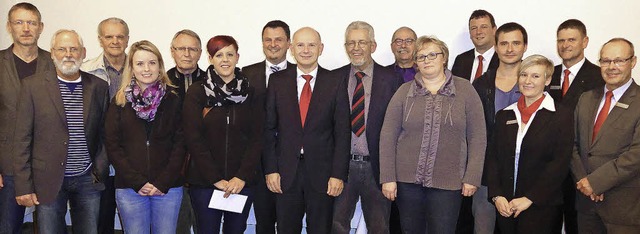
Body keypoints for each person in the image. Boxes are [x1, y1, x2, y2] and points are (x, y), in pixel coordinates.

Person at [380, 35, 486, 234]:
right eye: (421, 57)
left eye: (432, 55)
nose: (426, 60)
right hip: (407, 182)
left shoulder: (465, 90)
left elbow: (478, 136)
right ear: (416, 63)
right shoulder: (404, 92)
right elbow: (387, 136)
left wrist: (472, 176)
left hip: (449, 183)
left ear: (444, 57)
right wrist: (388, 177)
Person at [14, 29, 109, 234]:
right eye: (62, 49)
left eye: (74, 49)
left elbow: (104, 133)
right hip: (47, 179)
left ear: (83, 53)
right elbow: (22, 138)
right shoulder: (32, 87)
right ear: (52, 53)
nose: (68, 54)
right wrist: (24, 185)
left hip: (87, 179)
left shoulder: (99, 87)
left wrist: (99, 167)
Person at [263, 27, 350, 234]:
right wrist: (271, 169)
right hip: (285, 173)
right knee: (285, 229)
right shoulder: (277, 81)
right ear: (292, 49)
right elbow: (268, 130)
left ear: (321, 48)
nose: (306, 50)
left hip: (323, 175)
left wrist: (338, 174)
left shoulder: (335, 82)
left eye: (312, 45)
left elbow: (342, 132)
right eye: (300, 45)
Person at [183, 35, 263, 234]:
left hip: (241, 184)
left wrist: (241, 177)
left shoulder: (251, 93)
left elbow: (257, 138)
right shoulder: (197, 92)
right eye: (219, 55)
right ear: (210, 59)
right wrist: (215, 178)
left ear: (237, 57)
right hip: (205, 183)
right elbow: (193, 138)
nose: (225, 59)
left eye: (230, 54)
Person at [104, 40, 185, 234]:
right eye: (140, 64)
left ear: (160, 66)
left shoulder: (173, 99)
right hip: (130, 188)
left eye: (152, 62)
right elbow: (113, 145)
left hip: (168, 188)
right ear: (131, 68)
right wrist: (137, 182)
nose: (146, 69)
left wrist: (162, 182)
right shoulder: (119, 101)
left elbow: (181, 144)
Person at [487, 54, 573, 234]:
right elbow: (493, 158)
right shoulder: (504, 115)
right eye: (524, 75)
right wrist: (497, 195)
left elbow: (559, 164)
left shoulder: (561, 115)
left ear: (547, 79)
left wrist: (530, 198)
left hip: (542, 206)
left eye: (535, 76)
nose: (528, 81)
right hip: (506, 205)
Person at [331, 21, 402, 234]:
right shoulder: (334, 78)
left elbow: (399, 127)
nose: (356, 47)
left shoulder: (391, 79)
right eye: (351, 43)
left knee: (380, 227)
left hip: (377, 168)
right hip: (343, 167)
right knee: (337, 225)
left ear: (373, 45)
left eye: (362, 42)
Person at [571, 38, 640, 233]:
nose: (611, 67)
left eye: (619, 60)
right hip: (586, 205)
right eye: (605, 61)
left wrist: (596, 182)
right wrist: (585, 182)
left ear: (633, 62)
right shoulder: (586, 99)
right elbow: (572, 145)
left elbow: (636, 154)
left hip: (624, 208)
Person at [470, 22, 528, 234]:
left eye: (515, 43)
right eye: (504, 43)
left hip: (524, 173)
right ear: (495, 46)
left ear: (525, 46)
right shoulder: (481, 84)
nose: (510, 49)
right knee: (483, 227)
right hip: (487, 172)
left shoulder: (534, 83)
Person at [549, 19, 604, 234]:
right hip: (550, 167)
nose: (565, 45)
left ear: (585, 41)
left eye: (571, 39)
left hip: (581, 167)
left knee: (578, 227)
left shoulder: (599, 76)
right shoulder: (547, 74)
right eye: (561, 40)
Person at [0, 3, 49, 233]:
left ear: (41, 28)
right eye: (19, 22)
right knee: (8, 227)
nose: (26, 28)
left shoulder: (55, 63)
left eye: (31, 22)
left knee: (51, 228)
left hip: (48, 165)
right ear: (10, 27)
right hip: (8, 165)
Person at [241, 19, 293, 234]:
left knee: (289, 222)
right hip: (257, 162)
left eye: (278, 39)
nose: (273, 44)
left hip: (291, 162)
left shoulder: (301, 74)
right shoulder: (245, 74)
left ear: (288, 43)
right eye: (268, 40)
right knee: (263, 222)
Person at [80, 17, 130, 233]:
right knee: (102, 218)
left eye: (120, 36)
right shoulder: (86, 71)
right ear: (100, 40)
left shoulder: (142, 68)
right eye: (109, 36)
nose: (115, 41)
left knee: (134, 218)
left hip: (132, 156)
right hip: (99, 156)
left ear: (128, 39)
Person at [452, 10, 500, 83]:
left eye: (483, 27)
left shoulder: (503, 59)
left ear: (494, 30)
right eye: (474, 28)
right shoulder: (461, 60)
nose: (478, 32)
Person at [168, 29, 205, 99]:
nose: (187, 54)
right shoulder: (164, 83)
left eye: (192, 49)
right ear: (172, 52)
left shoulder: (210, 83)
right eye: (181, 49)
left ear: (200, 53)